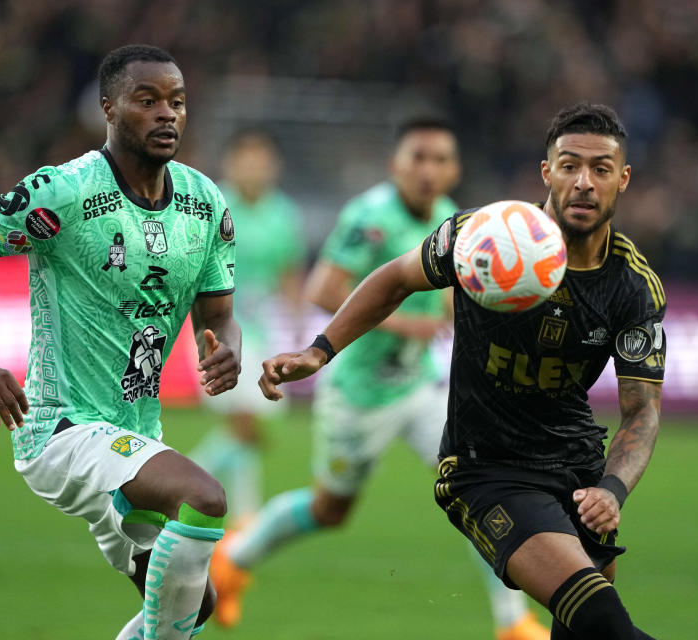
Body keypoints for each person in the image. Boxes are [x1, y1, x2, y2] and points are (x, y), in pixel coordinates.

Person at [257, 103, 665, 639]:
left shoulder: (634, 286)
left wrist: (612, 489)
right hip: (487, 470)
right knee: (606, 623)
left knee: (583, 631)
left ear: (623, 179)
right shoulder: (483, 235)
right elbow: (394, 278)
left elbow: (642, 411)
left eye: (600, 169)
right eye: (569, 165)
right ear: (547, 172)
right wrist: (319, 350)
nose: (583, 182)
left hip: (576, 468)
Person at [0, 44, 240, 640]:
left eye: (178, 102)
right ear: (109, 109)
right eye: (148, 101)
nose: (167, 114)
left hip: (133, 433)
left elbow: (218, 310)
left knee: (191, 604)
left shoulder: (205, 202)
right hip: (61, 428)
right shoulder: (62, 192)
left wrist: (225, 345)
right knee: (204, 497)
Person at [211, 118, 549, 639]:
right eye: (419, 157)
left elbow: (457, 298)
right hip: (357, 394)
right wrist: (404, 322)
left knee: (481, 490)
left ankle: (513, 622)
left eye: (440, 159)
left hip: (419, 388)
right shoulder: (369, 217)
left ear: (454, 169)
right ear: (396, 164)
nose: (429, 170)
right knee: (330, 509)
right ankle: (233, 560)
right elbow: (325, 291)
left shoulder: (454, 222)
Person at [191, 129, 305, 526]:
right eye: (246, 160)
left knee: (246, 424)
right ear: (231, 164)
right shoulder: (212, 205)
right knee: (245, 422)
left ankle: (194, 484)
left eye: (262, 161)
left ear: (274, 166)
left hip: (260, 333)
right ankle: (237, 508)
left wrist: (296, 324)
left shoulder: (283, 214)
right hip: (215, 331)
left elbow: (289, 272)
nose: (254, 169)